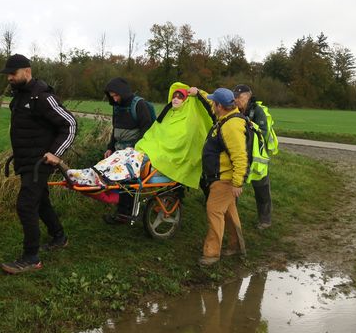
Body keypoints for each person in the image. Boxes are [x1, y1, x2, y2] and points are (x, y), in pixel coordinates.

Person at [0, 54, 77, 274]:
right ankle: (59, 237)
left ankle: (31, 257)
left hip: (40, 163)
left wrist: (56, 153)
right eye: (7, 75)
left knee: (26, 205)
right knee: (40, 202)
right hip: (27, 161)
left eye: (13, 74)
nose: (9, 78)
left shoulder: (41, 97)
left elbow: (70, 124)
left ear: (27, 71)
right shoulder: (20, 97)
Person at [66, 84, 213, 191]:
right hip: (149, 150)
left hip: (164, 156)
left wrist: (198, 92)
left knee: (132, 160)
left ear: (186, 100)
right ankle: (91, 172)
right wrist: (145, 146)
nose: (175, 99)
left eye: (180, 97)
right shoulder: (168, 116)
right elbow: (153, 134)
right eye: (174, 96)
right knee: (122, 153)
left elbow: (179, 144)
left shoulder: (189, 121)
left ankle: (103, 178)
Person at [190, 87, 247, 266]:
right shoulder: (225, 117)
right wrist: (198, 92)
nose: (212, 104)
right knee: (229, 212)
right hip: (222, 177)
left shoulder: (231, 126)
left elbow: (240, 156)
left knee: (213, 210)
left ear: (220, 106)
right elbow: (210, 100)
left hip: (225, 179)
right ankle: (236, 245)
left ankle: (211, 254)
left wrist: (237, 182)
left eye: (214, 103)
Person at [103, 77, 154, 224]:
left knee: (128, 182)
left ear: (123, 92)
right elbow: (115, 129)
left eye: (116, 95)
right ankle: (122, 211)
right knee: (117, 180)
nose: (115, 99)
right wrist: (110, 147)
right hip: (119, 150)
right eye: (112, 96)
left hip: (134, 152)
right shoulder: (116, 106)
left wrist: (135, 150)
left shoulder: (139, 105)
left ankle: (125, 214)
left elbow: (147, 131)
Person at [232, 84, 272, 229]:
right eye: (235, 96)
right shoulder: (234, 110)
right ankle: (232, 219)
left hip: (256, 158)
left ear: (248, 96)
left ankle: (265, 220)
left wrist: (247, 126)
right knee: (234, 187)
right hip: (240, 155)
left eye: (239, 97)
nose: (236, 99)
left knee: (261, 189)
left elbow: (263, 132)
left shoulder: (258, 111)